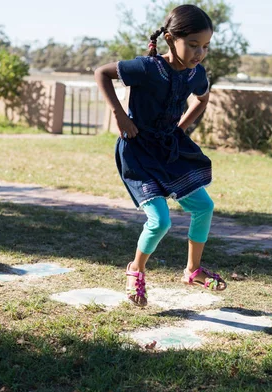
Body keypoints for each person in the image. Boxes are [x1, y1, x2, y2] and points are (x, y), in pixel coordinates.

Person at [94, 4, 227, 307]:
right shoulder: (148, 68)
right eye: (193, 45)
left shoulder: (195, 73)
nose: (199, 52)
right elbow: (101, 73)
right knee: (160, 221)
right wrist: (120, 115)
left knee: (204, 206)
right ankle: (135, 270)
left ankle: (193, 271)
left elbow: (203, 97)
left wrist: (181, 126)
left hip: (170, 151)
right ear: (170, 39)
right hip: (138, 152)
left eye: (205, 46)